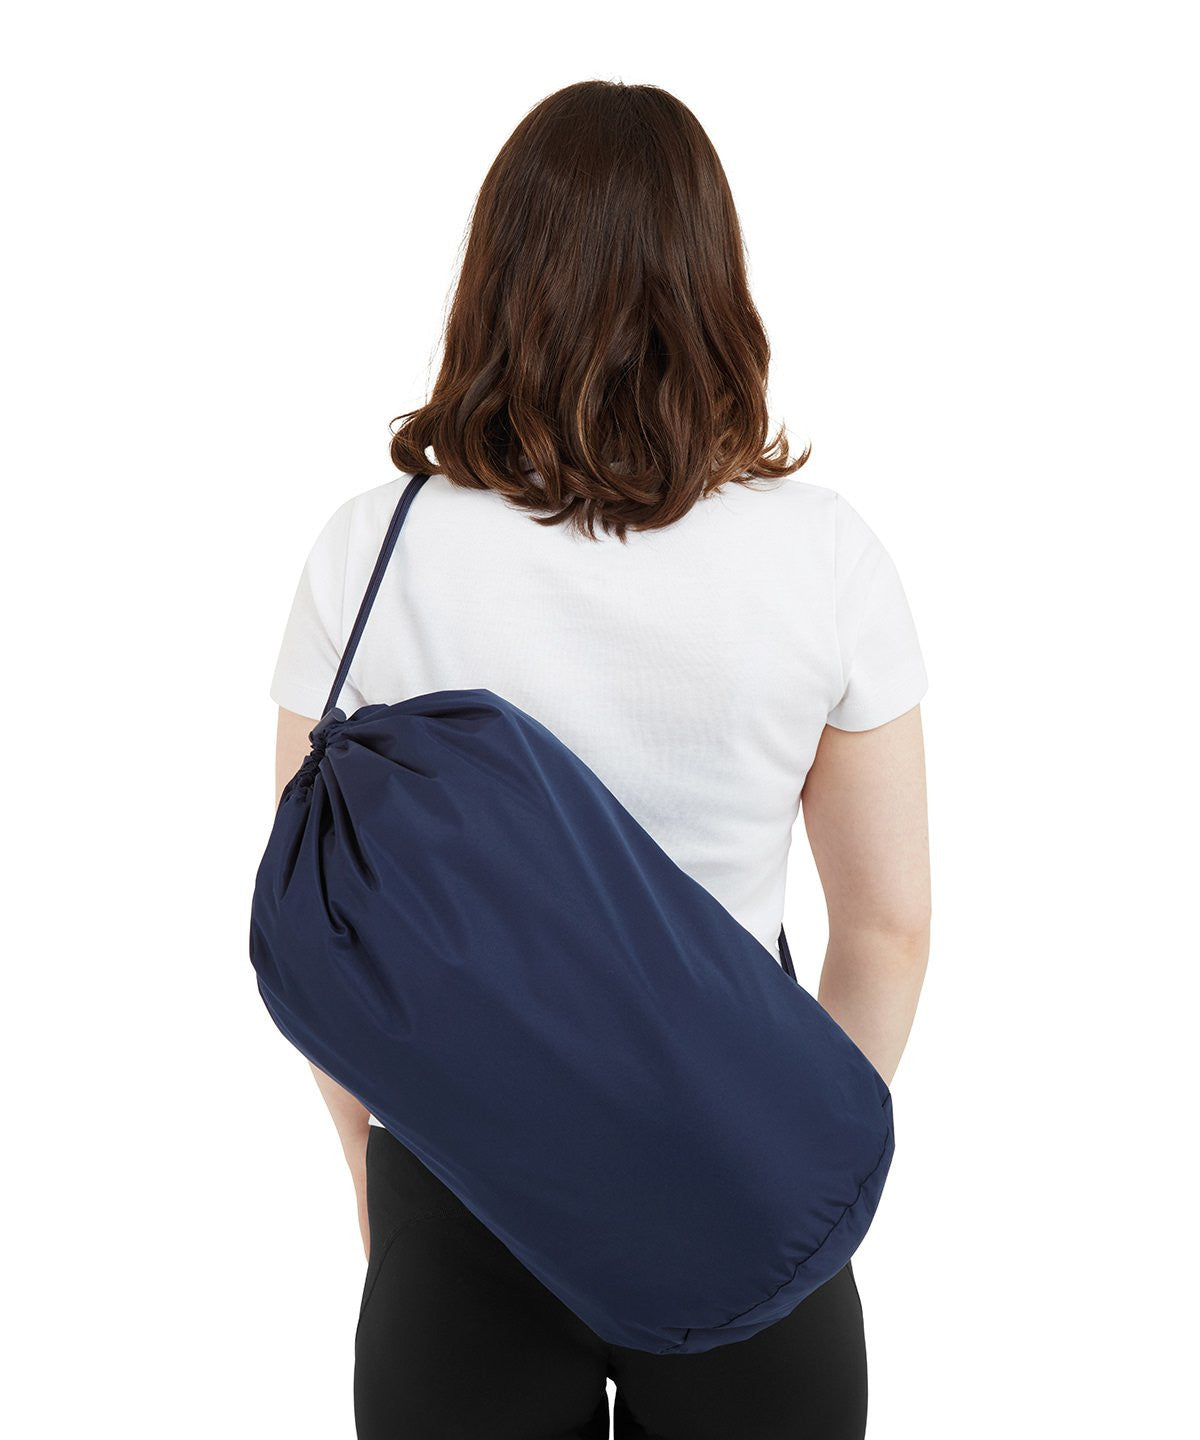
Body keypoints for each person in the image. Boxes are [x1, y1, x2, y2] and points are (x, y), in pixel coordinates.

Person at [267, 79, 931, 1440]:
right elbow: (889, 925)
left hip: (460, 1189)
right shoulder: (826, 557)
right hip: (745, 1179)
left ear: (497, 277)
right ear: (714, 283)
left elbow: (325, 937)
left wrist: (377, 1179)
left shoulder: (372, 549)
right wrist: (793, 1166)